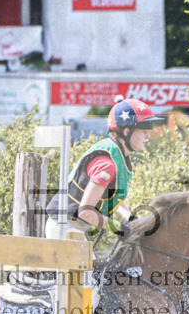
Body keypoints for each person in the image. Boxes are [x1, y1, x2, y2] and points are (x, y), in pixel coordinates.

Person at [44, 96, 164, 240]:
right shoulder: (107, 166)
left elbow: (110, 196)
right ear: (127, 131)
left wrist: (130, 218)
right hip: (64, 227)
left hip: (74, 227)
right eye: (144, 131)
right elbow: (85, 212)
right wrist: (119, 228)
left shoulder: (117, 153)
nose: (148, 136)